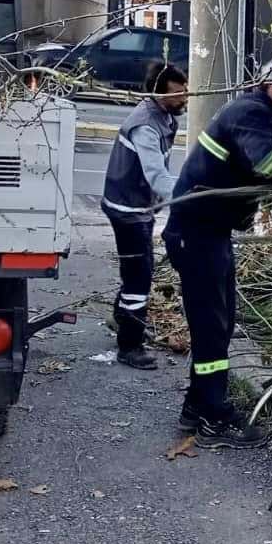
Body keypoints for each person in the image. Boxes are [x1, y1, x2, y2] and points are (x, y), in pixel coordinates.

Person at [163, 57, 272, 448]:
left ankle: (198, 405)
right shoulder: (251, 116)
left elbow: (264, 186)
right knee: (211, 328)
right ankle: (213, 418)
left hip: (210, 231)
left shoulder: (258, 118)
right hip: (197, 232)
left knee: (220, 323)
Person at [101, 61, 189, 369]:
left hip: (140, 207)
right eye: (178, 94)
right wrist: (194, 194)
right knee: (139, 276)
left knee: (137, 269)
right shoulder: (145, 126)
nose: (185, 100)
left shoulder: (164, 115)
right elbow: (158, 178)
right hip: (128, 211)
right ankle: (130, 345)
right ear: (157, 94)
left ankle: (122, 319)